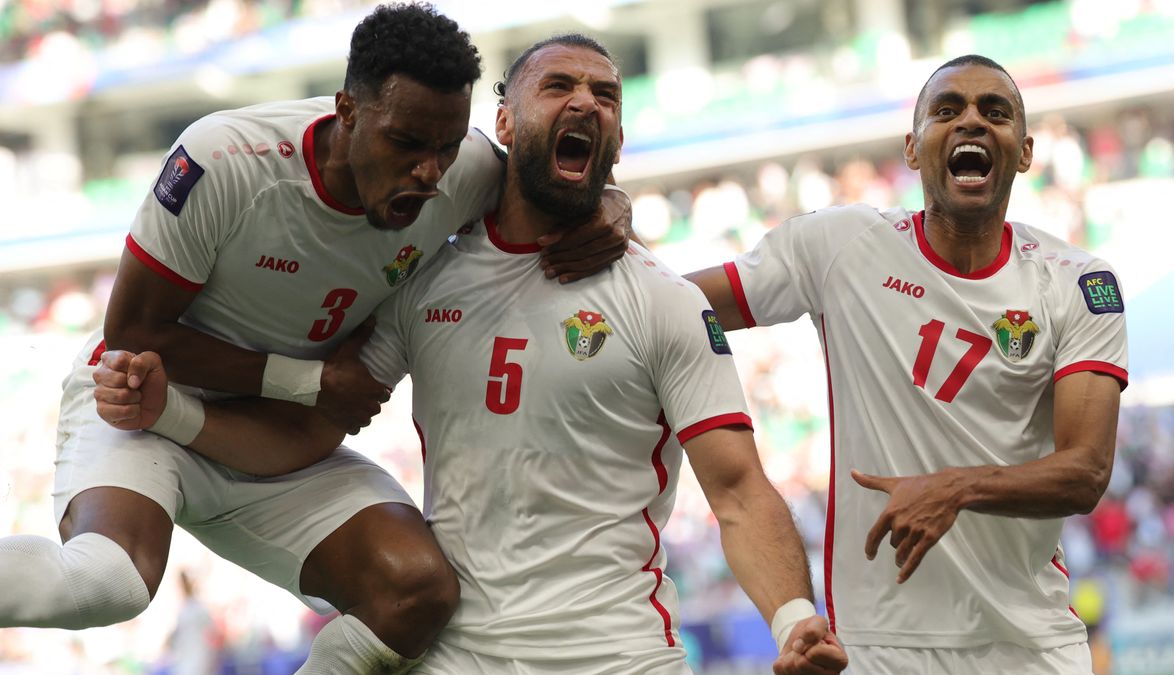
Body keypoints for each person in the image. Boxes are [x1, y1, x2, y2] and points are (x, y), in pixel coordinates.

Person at [94, 34, 849, 675]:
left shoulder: (664, 300)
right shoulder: (420, 285)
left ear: (617, 141)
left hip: (617, 652)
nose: (587, 103)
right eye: (558, 86)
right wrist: (179, 419)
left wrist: (791, 618)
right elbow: (314, 430)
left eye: (607, 96)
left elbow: (740, 491)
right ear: (503, 126)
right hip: (459, 655)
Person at [0, 4, 632, 674]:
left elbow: (551, 191)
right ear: (348, 111)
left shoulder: (465, 171)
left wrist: (611, 204)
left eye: (444, 147)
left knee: (417, 589)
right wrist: (306, 382)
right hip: (140, 407)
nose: (428, 172)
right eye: (408, 142)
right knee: (107, 582)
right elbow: (131, 334)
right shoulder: (226, 161)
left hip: (273, 436)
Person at [685, 55, 1128, 674]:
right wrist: (607, 247)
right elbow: (674, 309)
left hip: (1032, 647)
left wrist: (955, 488)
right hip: (878, 649)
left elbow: (1086, 471)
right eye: (947, 110)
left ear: (1025, 152)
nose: (971, 122)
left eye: (993, 113)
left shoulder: (1078, 282)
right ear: (913, 148)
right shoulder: (839, 246)